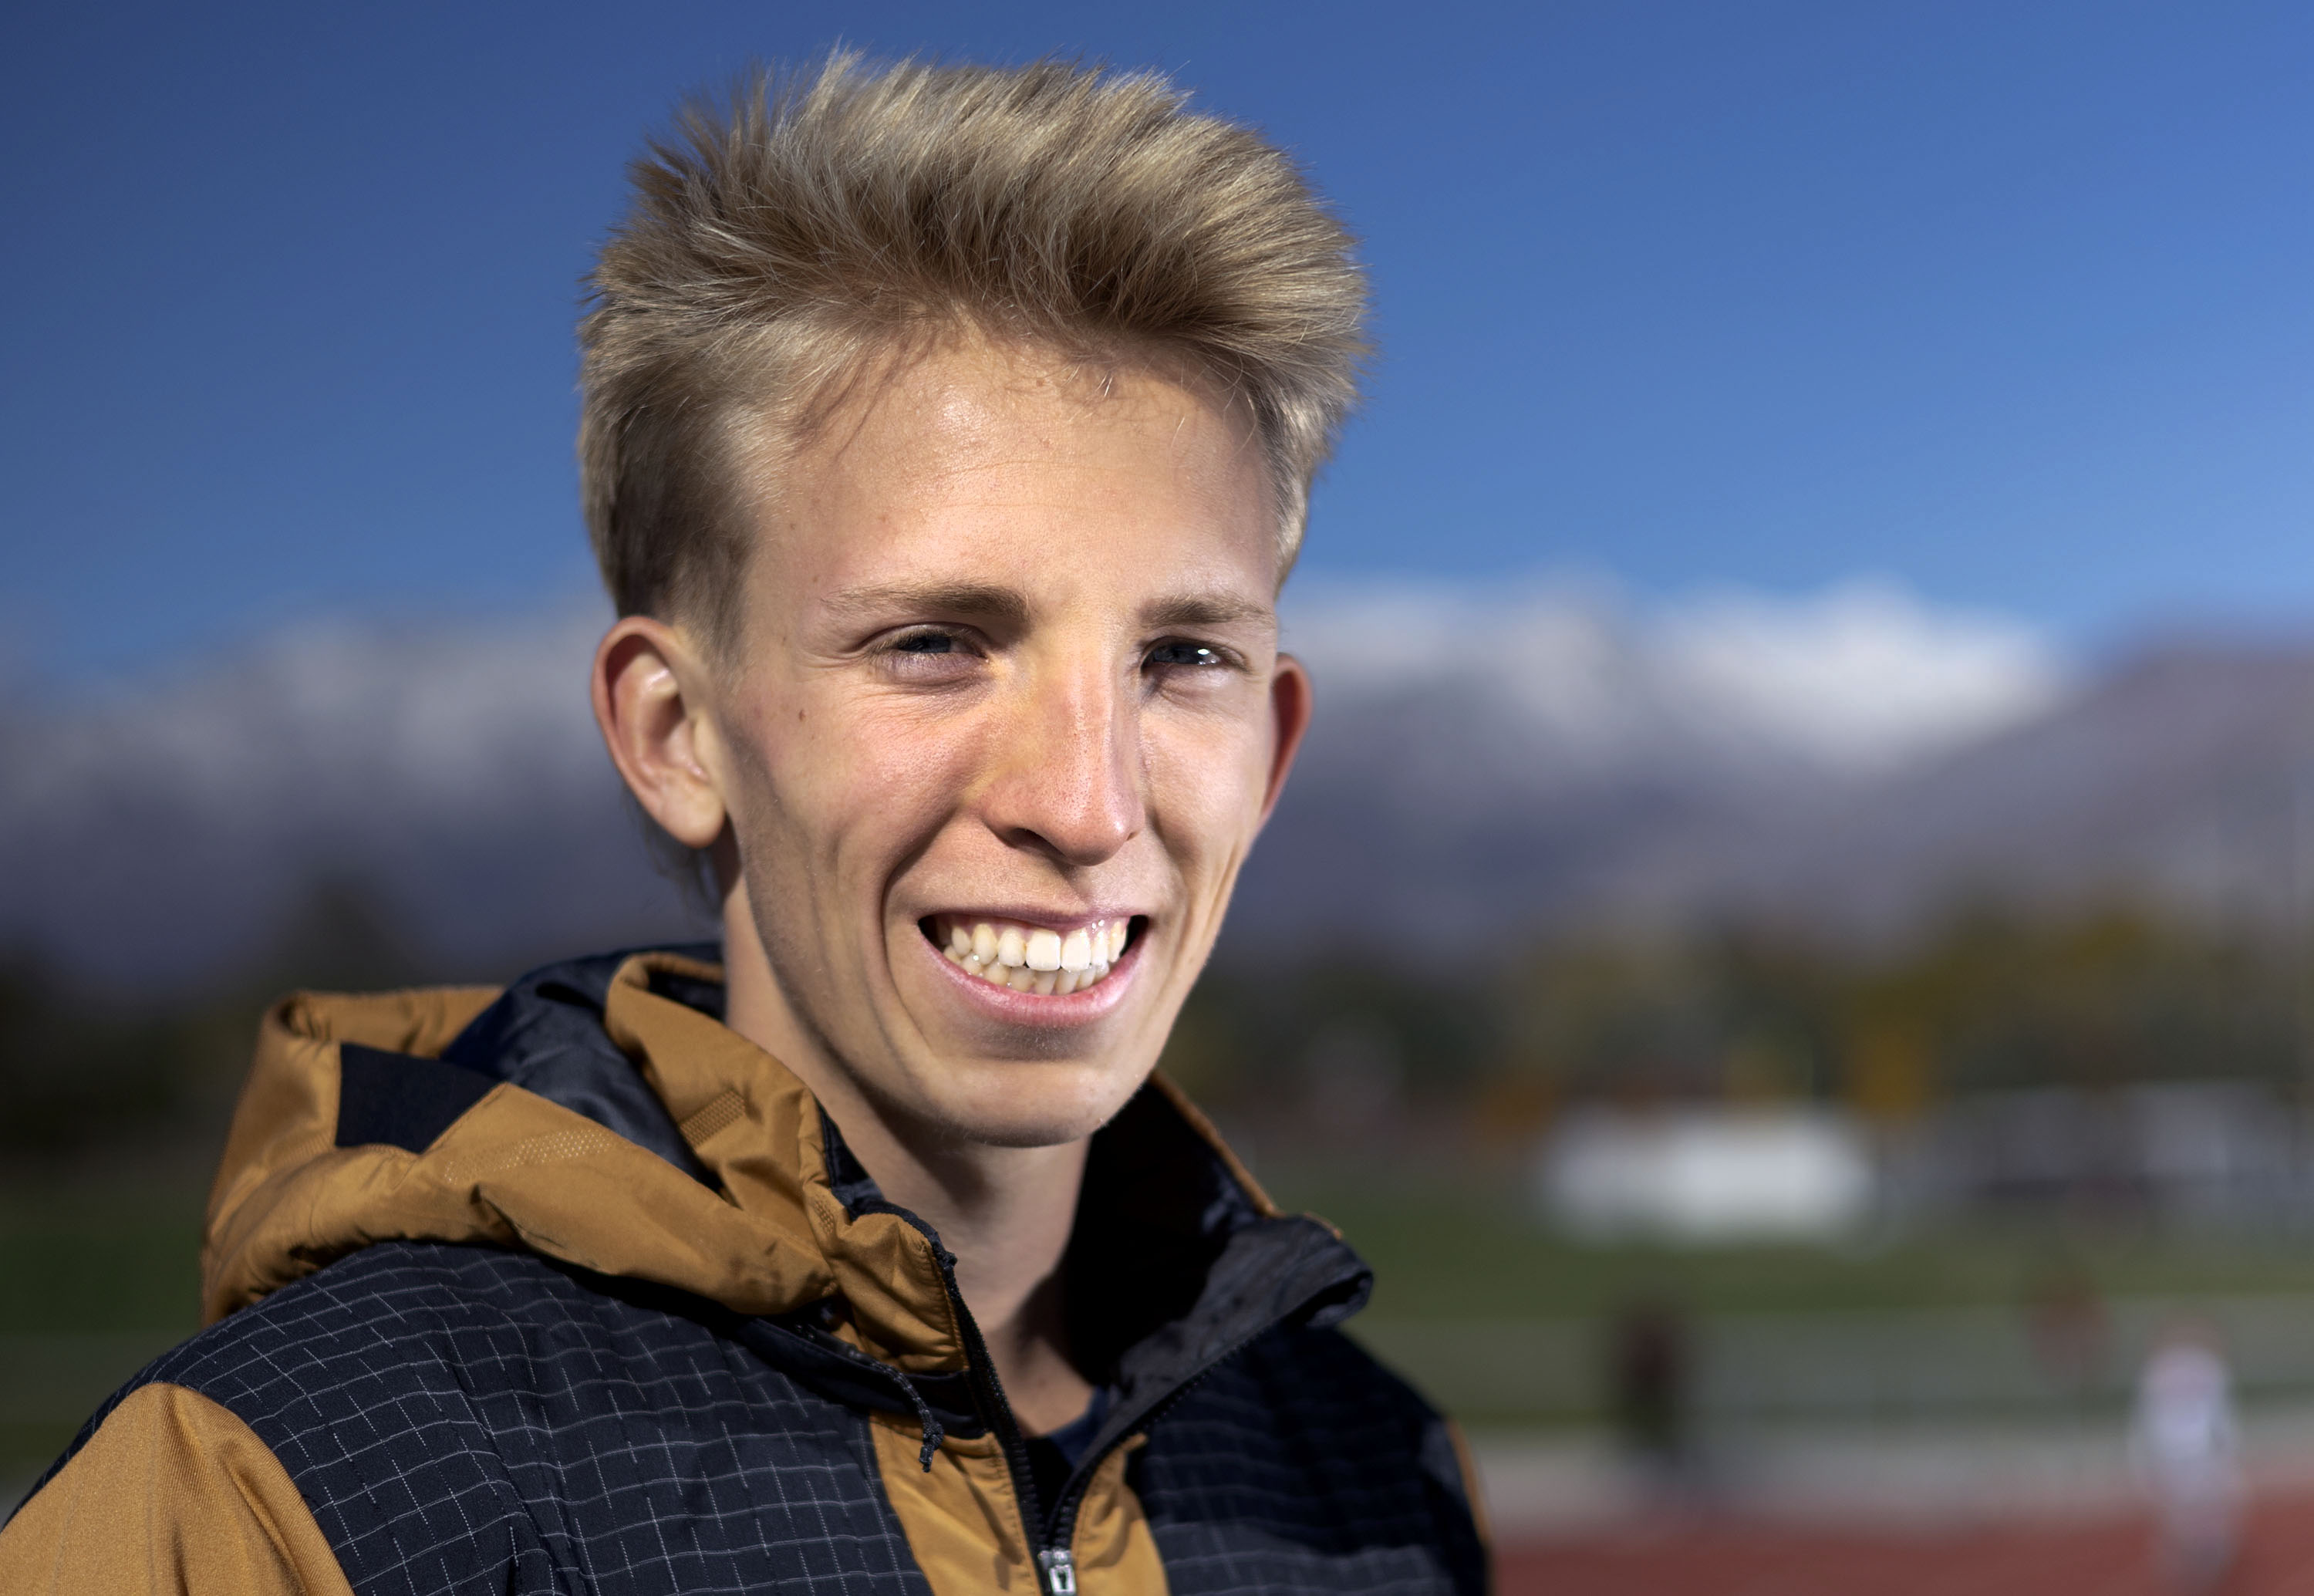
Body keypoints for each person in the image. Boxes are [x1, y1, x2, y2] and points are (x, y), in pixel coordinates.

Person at [0, 52, 1488, 1596]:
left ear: (1272, 750)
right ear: (677, 733)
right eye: (935, 643)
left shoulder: (1375, 1477)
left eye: (1183, 658)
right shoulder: (289, 1492)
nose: (1087, 800)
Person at [2132, 1321, 2245, 1593]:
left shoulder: (2158, 1370)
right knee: (2206, 1510)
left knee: (2190, 1512)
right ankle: (2201, 1560)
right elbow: (2221, 1414)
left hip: (2174, 1450)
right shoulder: (2206, 1367)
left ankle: (2195, 1560)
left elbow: (2145, 1418)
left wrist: (2140, 1456)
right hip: (2196, 1449)